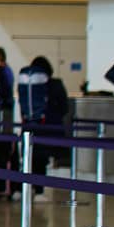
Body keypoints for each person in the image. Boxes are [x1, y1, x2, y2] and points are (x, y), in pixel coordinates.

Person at [18, 56, 70, 198]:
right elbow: (64, 107)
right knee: (41, 158)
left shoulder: (26, 85)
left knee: (28, 158)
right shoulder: (56, 84)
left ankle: (24, 188)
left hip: (28, 126)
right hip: (47, 128)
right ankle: (39, 190)